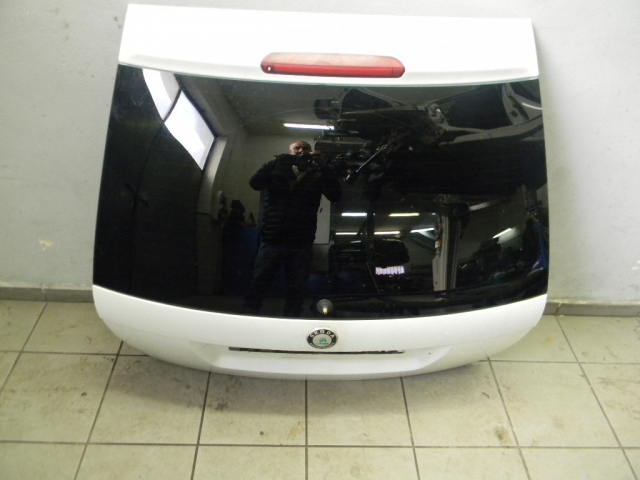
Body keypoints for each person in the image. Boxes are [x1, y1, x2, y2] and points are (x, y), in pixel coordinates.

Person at [243, 141, 342, 317]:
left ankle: (292, 318)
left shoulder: (317, 173)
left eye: (305, 148)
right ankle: (249, 314)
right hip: (273, 238)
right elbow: (254, 183)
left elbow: (335, 195)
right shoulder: (278, 168)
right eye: (297, 148)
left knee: (297, 286)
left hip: (301, 241)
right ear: (289, 152)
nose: (301, 151)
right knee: (259, 281)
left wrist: (324, 166)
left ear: (311, 152)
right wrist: (276, 161)